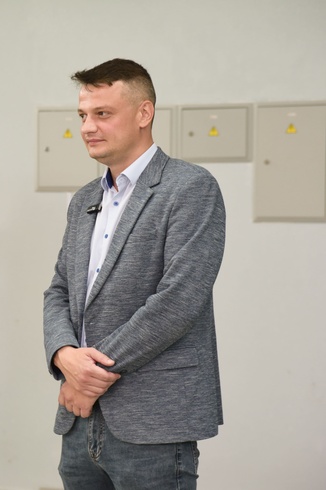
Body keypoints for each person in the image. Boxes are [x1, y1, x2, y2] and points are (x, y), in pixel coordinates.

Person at [43, 58, 226, 489]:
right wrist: (62, 354)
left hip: (153, 421)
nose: (88, 127)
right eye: (83, 116)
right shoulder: (84, 200)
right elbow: (59, 290)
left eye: (102, 113)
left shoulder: (190, 187)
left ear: (144, 113)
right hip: (80, 422)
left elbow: (178, 301)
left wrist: (88, 376)